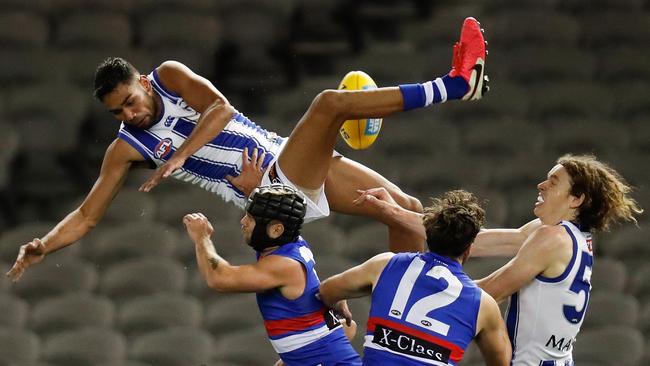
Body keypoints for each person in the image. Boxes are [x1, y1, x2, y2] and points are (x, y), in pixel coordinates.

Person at [6, 16, 488, 281]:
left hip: (284, 159)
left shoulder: (170, 76)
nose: (128, 116)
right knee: (329, 105)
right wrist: (44, 244)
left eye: (129, 102)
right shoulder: (126, 147)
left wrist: (176, 156)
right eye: (117, 113)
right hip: (270, 189)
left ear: (144, 83)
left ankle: (401, 309)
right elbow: (88, 215)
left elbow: (218, 107)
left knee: (403, 209)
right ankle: (456, 85)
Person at [351, 154, 643, 366]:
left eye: (553, 182)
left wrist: (414, 293)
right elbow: (474, 240)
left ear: (576, 199)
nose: (541, 185)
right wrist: (393, 213)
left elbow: (491, 292)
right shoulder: (570, 236)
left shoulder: (551, 239)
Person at [319, 190, 511, 366]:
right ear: (468, 250)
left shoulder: (385, 264)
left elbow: (325, 291)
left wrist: (340, 300)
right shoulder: (484, 305)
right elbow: (502, 361)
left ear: (428, 236)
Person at [185, 184, 362, 365]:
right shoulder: (293, 244)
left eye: (251, 219)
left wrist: (202, 238)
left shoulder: (283, 265)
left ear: (276, 230)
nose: (243, 222)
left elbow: (219, 278)